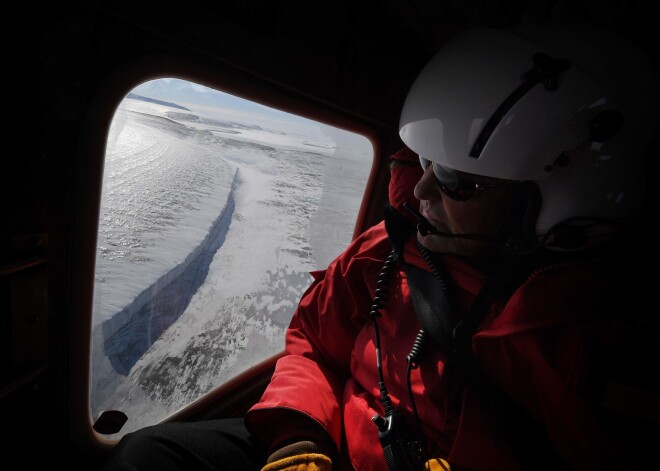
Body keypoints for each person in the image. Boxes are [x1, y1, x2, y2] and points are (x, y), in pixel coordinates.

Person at [102, 20, 659, 471]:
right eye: (425, 164)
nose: (419, 191)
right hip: (334, 445)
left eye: (455, 181)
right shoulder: (388, 248)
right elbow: (314, 343)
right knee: (148, 458)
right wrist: (299, 440)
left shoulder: (599, 343)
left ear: (554, 205)